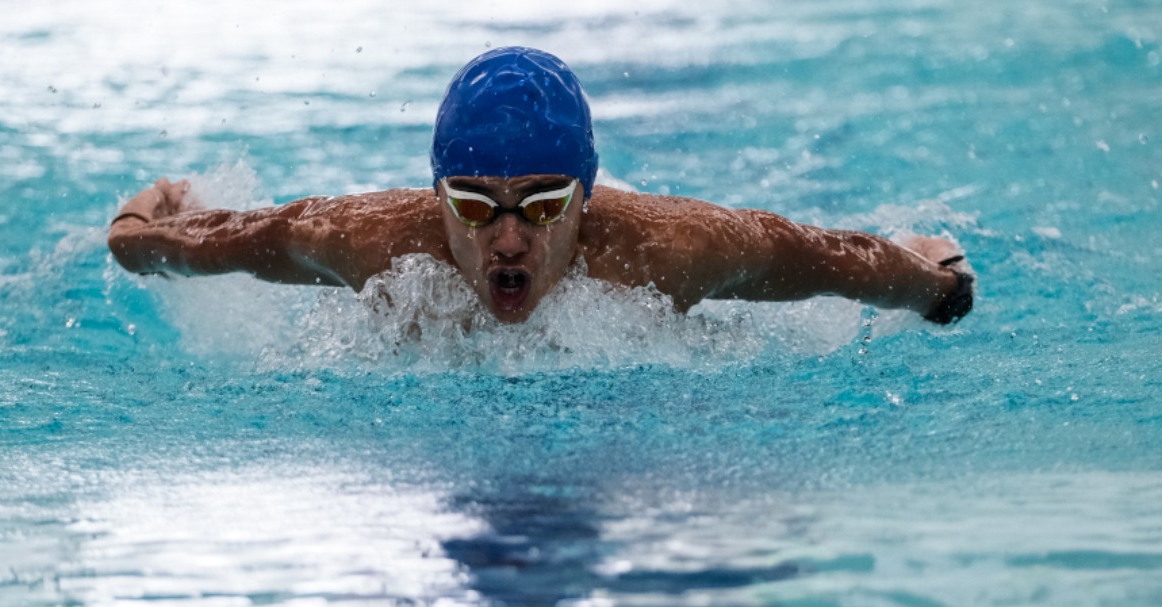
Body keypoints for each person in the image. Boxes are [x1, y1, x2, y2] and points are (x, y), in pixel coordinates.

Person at [108, 47, 974, 326]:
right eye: (477, 206)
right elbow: (178, 245)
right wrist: (142, 221)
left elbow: (824, 255)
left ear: (585, 202)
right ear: (439, 198)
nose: (509, 238)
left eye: (546, 205)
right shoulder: (365, 239)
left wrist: (932, 279)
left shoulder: (671, 249)